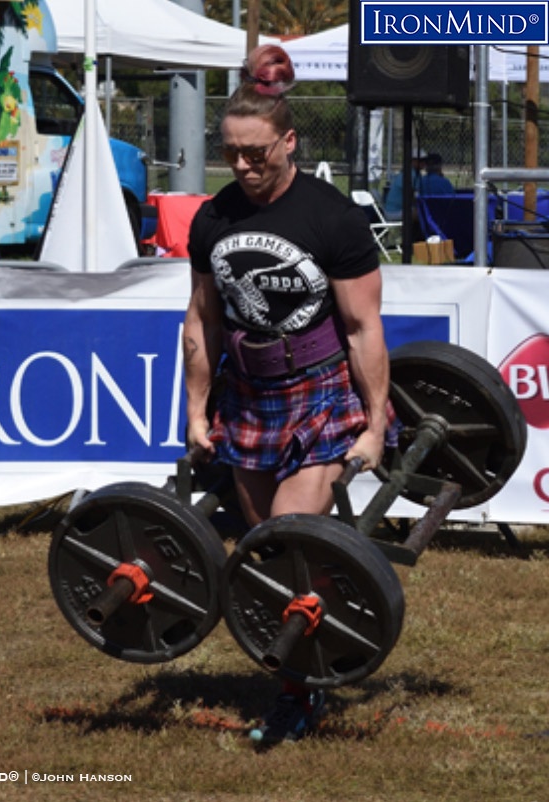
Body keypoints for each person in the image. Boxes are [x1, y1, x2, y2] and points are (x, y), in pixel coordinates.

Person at [182, 45, 397, 744]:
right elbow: (203, 320)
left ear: (289, 140)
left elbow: (364, 329)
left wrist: (372, 426)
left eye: (256, 153)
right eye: (231, 153)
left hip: (319, 395)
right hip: (248, 398)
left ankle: (296, 693)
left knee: (288, 538)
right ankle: (316, 659)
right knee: (262, 552)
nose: (243, 167)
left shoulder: (332, 219)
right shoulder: (213, 218)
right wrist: (194, 411)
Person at [384, 148, 427, 220]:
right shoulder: (411, 174)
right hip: (395, 212)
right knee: (424, 213)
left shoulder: (412, 173)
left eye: (425, 160)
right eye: (421, 160)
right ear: (412, 161)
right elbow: (414, 196)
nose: (424, 163)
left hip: (398, 210)